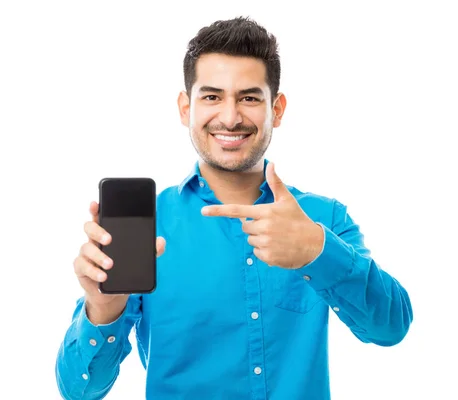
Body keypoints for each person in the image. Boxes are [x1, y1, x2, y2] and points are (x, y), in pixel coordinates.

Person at [55, 16, 413, 400]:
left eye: (249, 97)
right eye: (211, 96)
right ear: (184, 107)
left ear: (276, 108)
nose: (229, 117)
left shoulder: (324, 220)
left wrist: (317, 251)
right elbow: (80, 389)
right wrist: (103, 308)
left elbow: (389, 328)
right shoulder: (150, 227)